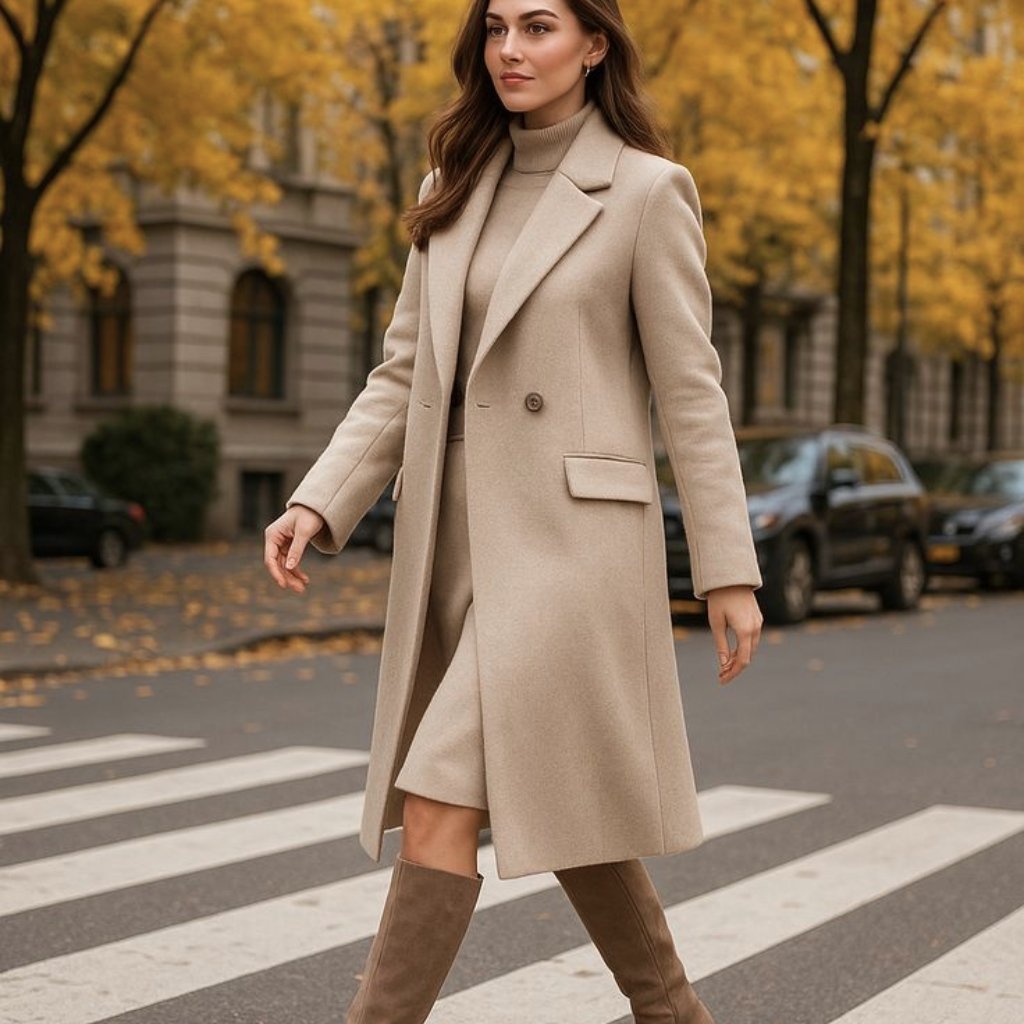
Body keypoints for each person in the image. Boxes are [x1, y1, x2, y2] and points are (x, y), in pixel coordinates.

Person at [263, 0, 763, 1020]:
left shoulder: (644, 191)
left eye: (538, 27)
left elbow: (690, 389)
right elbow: (403, 369)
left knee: (438, 796)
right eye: (495, 29)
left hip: (572, 550)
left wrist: (726, 565)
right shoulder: (452, 186)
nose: (510, 51)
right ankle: (674, 1011)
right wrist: (321, 495)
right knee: (561, 797)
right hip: (457, 541)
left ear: (594, 45)